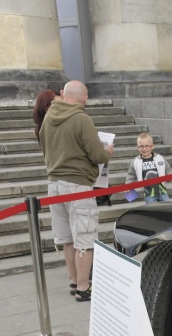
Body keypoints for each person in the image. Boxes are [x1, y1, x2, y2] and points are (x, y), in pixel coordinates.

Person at [39, 80, 114, 302]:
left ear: (64, 94)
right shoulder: (82, 119)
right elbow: (97, 155)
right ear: (84, 98)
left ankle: (74, 280)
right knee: (85, 238)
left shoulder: (48, 119)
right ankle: (84, 287)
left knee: (67, 238)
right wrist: (107, 151)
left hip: (54, 184)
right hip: (78, 184)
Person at [125, 132, 172, 203]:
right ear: (137, 147)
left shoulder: (160, 158)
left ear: (152, 146)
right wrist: (127, 186)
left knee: (167, 208)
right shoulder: (136, 162)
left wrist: (171, 176)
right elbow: (131, 175)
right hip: (148, 194)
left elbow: (168, 169)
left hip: (162, 191)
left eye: (147, 146)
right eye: (141, 146)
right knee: (152, 211)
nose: (144, 149)